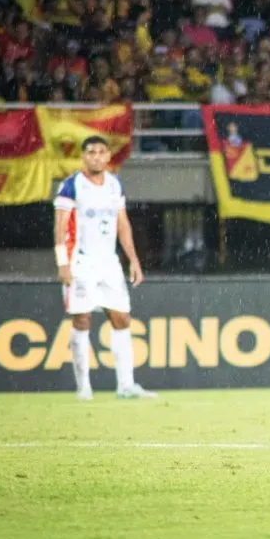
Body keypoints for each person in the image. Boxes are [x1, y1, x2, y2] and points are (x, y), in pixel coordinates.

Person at [53, 136, 157, 401]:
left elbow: (122, 225)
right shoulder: (71, 186)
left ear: (108, 156)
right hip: (80, 260)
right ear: (83, 156)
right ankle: (83, 386)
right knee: (82, 319)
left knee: (121, 318)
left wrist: (133, 260)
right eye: (91, 152)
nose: (96, 157)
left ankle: (126, 385)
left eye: (101, 152)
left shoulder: (114, 184)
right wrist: (62, 262)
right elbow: (60, 227)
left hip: (109, 262)